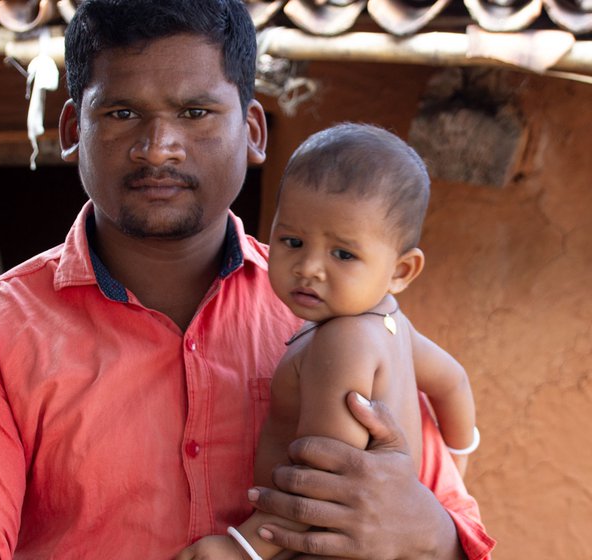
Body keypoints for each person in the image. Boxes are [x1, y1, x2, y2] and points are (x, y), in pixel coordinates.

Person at [0, 1, 496, 559]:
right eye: (121, 112)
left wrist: (428, 532)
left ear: (252, 130)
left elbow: (455, 531)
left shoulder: (340, 312)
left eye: (196, 112)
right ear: (73, 130)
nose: (158, 148)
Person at [177, 123, 482, 560]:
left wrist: (243, 549)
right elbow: (453, 382)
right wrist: (457, 461)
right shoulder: (393, 325)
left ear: (401, 271)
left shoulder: (344, 342)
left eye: (343, 254)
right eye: (293, 241)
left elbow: (326, 477)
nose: (309, 268)